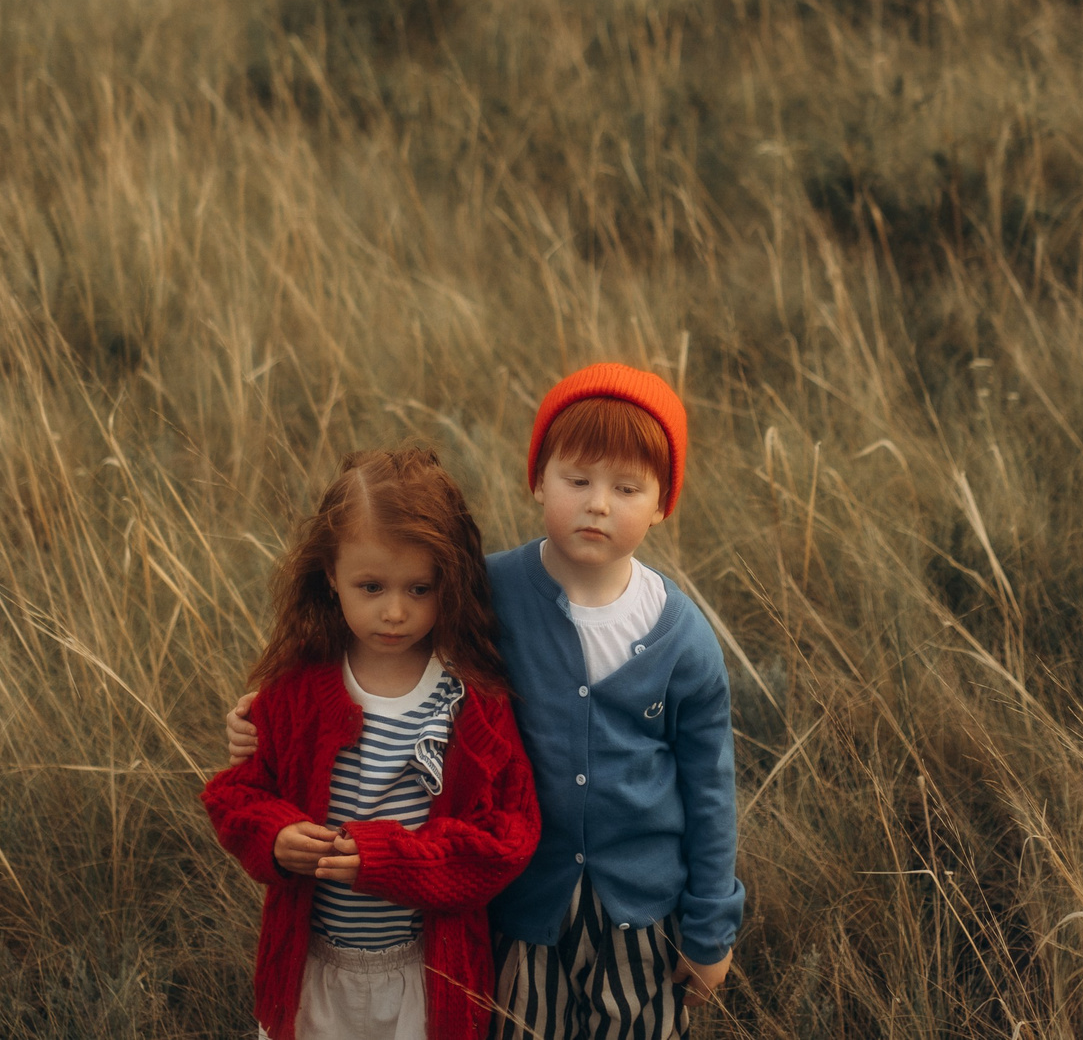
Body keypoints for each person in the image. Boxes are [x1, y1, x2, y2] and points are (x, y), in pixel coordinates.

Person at [230, 365, 743, 1039]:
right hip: (522, 906)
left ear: (662, 502)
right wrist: (265, 713)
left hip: (640, 909)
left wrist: (709, 931)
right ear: (537, 479)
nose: (597, 503)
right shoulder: (486, 590)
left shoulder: (684, 639)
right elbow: (374, 637)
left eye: (626, 487)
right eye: (577, 479)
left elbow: (710, 791)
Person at [202, 445, 541, 1040]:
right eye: (371, 586)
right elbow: (236, 796)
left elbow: (510, 836)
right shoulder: (298, 688)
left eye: (419, 589)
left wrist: (392, 860)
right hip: (311, 972)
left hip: (427, 977)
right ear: (330, 575)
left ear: (450, 581)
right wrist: (276, 837)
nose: (394, 612)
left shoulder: (473, 702)